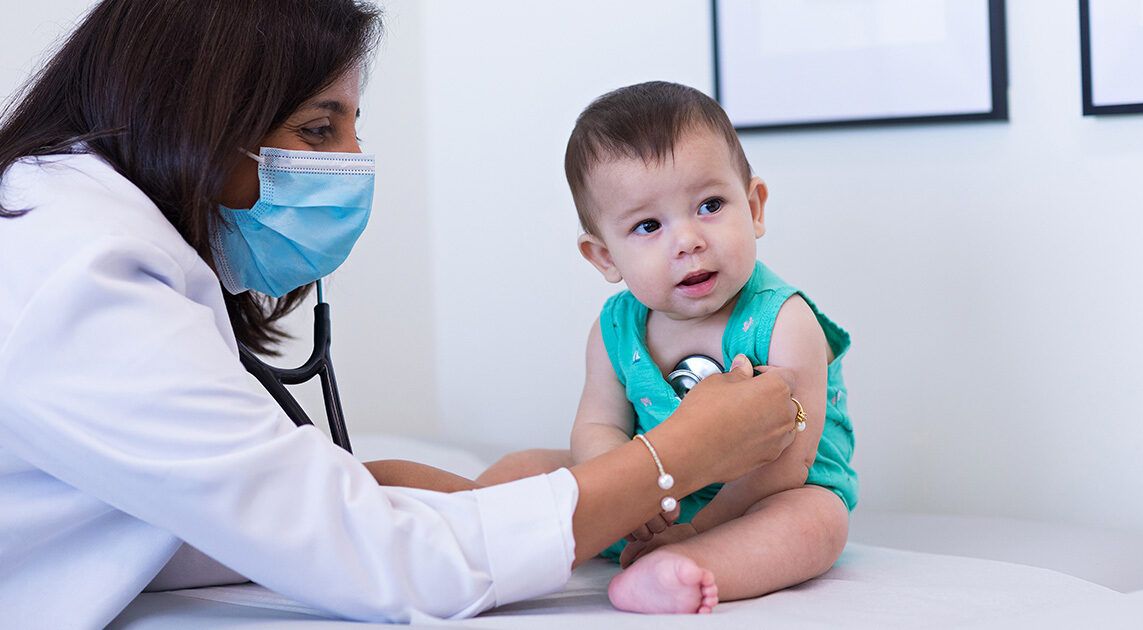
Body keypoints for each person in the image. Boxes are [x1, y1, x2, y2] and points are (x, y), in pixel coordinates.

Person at [0, 3, 802, 627]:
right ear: (196, 117)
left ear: (754, 205)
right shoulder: (80, 274)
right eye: (320, 128)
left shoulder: (90, 239)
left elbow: (201, 513)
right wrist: (674, 459)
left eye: (352, 125)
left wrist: (389, 492)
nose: (351, 160)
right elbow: (389, 565)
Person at [488, 81, 858, 614]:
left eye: (710, 205)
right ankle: (460, 523)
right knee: (525, 466)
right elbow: (600, 427)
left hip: (761, 495)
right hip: (651, 492)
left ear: (753, 207)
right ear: (603, 256)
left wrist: (696, 529)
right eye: (647, 225)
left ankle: (692, 567)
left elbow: (787, 464)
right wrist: (621, 499)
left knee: (819, 521)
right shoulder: (615, 330)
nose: (686, 240)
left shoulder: (784, 321)